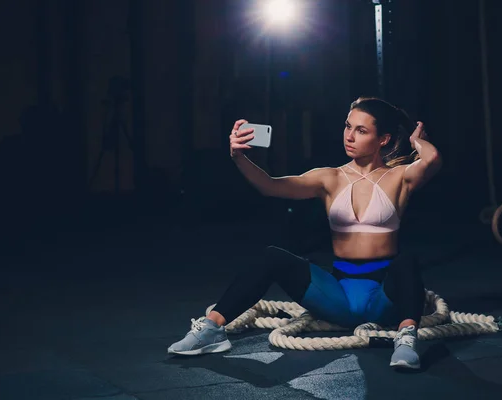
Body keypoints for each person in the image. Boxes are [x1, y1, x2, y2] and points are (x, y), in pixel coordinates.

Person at [168, 97, 443, 369]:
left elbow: (431, 158)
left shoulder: (400, 178)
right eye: (348, 126)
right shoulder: (329, 178)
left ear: (383, 139)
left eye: (361, 130)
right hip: (339, 295)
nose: (349, 136)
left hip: (385, 294)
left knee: (406, 261)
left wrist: (417, 141)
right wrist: (238, 156)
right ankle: (211, 330)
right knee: (271, 257)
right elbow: (270, 186)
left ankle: (406, 340)